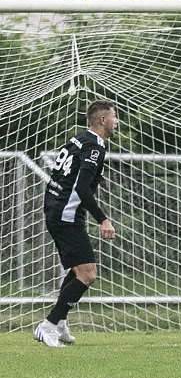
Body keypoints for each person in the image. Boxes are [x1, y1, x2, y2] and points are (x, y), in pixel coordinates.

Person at [35, 100, 119, 348]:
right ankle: (47, 325)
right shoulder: (94, 147)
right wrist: (103, 219)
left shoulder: (79, 139)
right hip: (66, 216)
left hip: (58, 211)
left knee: (76, 270)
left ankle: (59, 323)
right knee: (88, 274)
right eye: (114, 117)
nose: (116, 122)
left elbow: (69, 178)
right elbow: (81, 187)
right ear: (103, 120)